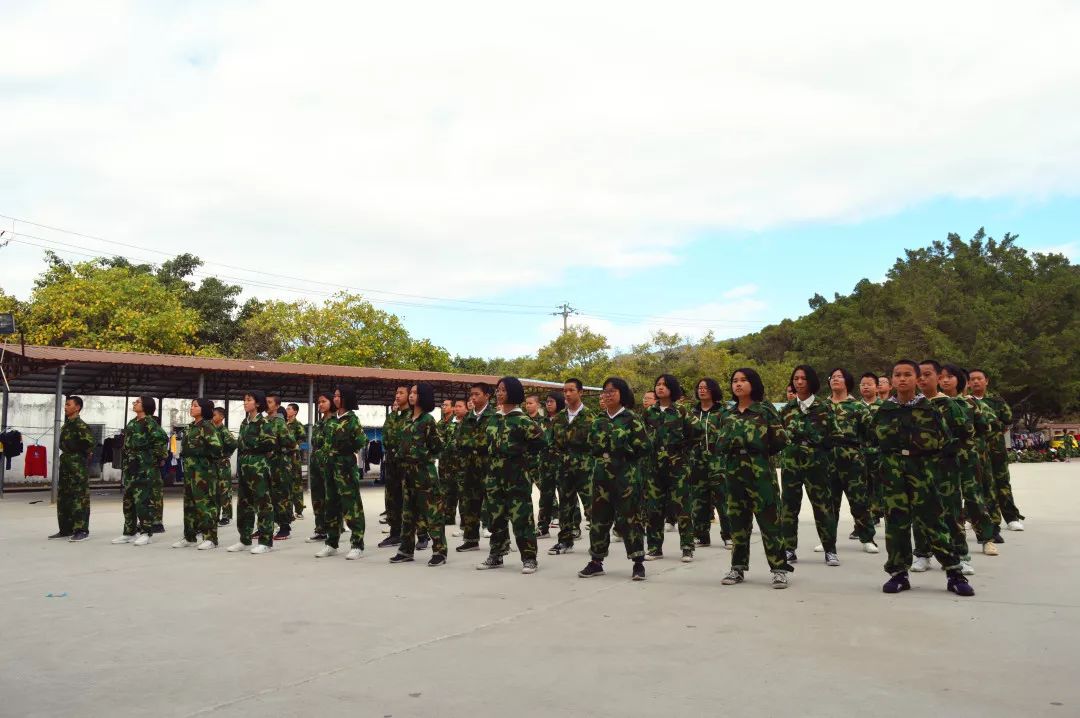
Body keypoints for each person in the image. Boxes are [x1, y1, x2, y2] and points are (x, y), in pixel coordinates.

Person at [871, 360, 974, 597]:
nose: (902, 379)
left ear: (917, 379)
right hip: (893, 473)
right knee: (896, 524)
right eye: (897, 375)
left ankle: (954, 573)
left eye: (908, 374)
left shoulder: (930, 409)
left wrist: (940, 466)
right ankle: (898, 574)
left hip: (923, 471)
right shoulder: (884, 411)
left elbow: (953, 439)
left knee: (933, 521)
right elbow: (870, 439)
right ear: (892, 379)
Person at [717, 368, 792, 589]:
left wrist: (757, 450)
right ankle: (737, 568)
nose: (738, 384)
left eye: (743, 380)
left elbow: (780, 440)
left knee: (770, 521)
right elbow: (720, 443)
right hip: (734, 471)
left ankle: (779, 569)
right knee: (738, 521)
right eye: (734, 381)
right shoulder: (727, 414)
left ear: (754, 383)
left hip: (760, 472)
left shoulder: (765, 410)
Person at [578, 377, 650, 581]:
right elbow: (591, 446)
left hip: (625, 477)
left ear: (622, 394)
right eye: (605, 391)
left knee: (630, 519)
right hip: (601, 477)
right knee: (598, 520)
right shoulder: (599, 421)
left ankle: (638, 563)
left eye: (612, 391)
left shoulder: (631, 419)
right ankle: (596, 562)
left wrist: (624, 452)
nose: (607, 395)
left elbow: (645, 447)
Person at [476, 377, 543, 574]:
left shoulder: (522, 420)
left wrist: (521, 456)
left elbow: (541, 442)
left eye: (503, 390)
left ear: (513, 392)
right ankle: (496, 555)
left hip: (516, 477)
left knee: (521, 518)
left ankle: (529, 558)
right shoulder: (494, 418)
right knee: (496, 517)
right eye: (498, 390)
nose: (499, 393)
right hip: (494, 476)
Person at [779, 366, 841, 566]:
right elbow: (779, 437)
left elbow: (836, 435)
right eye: (795, 378)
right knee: (789, 506)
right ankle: (789, 549)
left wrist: (820, 447)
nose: (799, 382)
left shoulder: (824, 407)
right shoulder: (787, 410)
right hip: (791, 462)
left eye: (803, 378)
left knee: (822, 506)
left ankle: (830, 549)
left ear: (811, 381)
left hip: (817, 462)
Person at [938, 364, 999, 567]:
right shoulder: (933, 404)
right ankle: (950, 544)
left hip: (967, 459)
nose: (945, 380)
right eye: (942, 377)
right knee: (947, 503)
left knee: (974, 498)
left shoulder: (971, 403)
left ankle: (987, 539)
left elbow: (986, 427)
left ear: (959, 381)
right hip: (942, 461)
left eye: (950, 377)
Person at [390, 383, 447, 566]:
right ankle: (406, 550)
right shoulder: (407, 419)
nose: (412, 396)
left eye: (415, 393)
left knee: (432, 514)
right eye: (411, 393)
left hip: (424, 472)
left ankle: (439, 551)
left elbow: (438, 446)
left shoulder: (427, 420)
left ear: (423, 396)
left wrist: (424, 456)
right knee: (408, 514)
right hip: (407, 473)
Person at [825, 367, 878, 553]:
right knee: (829, 503)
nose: (835, 379)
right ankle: (827, 541)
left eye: (839, 377)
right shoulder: (823, 407)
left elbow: (870, 433)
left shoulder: (857, 407)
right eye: (833, 377)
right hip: (828, 459)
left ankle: (867, 538)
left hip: (853, 459)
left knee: (859, 500)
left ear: (847, 381)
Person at [967, 369, 1025, 532]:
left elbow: (1007, 422)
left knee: (1002, 481)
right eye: (972, 379)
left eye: (979, 378)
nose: (976, 382)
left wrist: (992, 433)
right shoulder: (965, 401)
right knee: (977, 483)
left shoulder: (996, 401)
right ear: (968, 383)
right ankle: (975, 517)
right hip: (975, 449)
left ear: (986, 381)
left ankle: (1011, 517)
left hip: (996, 449)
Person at [315, 386, 366, 559]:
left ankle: (357, 544)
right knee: (331, 506)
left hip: (345, 469)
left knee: (351, 507)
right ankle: (331, 543)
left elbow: (360, 441)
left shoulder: (352, 420)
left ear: (346, 399)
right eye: (335, 396)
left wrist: (345, 451)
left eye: (338, 396)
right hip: (330, 468)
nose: (335, 398)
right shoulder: (332, 420)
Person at [112, 396, 168, 546]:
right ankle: (129, 532)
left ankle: (146, 532)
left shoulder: (150, 423)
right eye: (135, 402)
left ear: (146, 405)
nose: (134, 403)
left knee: (143, 501)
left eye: (137, 402)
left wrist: (151, 460)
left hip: (144, 467)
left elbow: (162, 440)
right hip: (131, 467)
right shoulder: (132, 422)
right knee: (128, 500)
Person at [226, 391, 277, 554]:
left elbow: (269, 444)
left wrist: (251, 447)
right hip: (244, 466)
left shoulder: (263, 422)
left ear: (257, 404)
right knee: (244, 504)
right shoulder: (244, 423)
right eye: (244, 400)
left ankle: (265, 541)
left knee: (262, 503)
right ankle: (245, 538)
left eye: (249, 400)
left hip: (258, 466)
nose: (245, 402)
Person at [549, 378, 594, 556]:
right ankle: (564, 541)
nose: (567, 394)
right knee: (565, 507)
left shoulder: (591, 417)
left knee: (592, 507)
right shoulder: (559, 418)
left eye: (571, 390)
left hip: (585, 469)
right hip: (564, 469)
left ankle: (597, 543)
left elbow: (596, 444)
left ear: (580, 392)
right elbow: (552, 443)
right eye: (565, 390)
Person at [174, 398, 224, 550]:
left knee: (205, 504)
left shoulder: (207, 427)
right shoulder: (191, 427)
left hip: (203, 472)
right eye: (192, 405)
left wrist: (199, 454)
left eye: (195, 406)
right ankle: (189, 536)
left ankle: (210, 538)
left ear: (204, 409)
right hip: (190, 471)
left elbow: (217, 448)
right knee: (189, 504)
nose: (192, 408)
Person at [690, 379, 732, 550]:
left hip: (718, 461)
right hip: (696, 462)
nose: (702, 391)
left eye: (706, 388)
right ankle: (701, 536)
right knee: (698, 499)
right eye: (699, 388)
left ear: (713, 390)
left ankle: (728, 536)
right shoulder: (691, 412)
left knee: (723, 499)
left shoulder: (723, 412)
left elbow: (729, 434)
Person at [457, 383, 497, 552]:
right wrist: (473, 445)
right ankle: (471, 539)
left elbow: (493, 441)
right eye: (471, 394)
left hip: (489, 468)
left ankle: (500, 540)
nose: (473, 398)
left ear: (487, 395)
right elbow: (459, 441)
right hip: (470, 468)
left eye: (477, 394)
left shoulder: (495, 416)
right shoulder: (468, 417)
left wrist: (473, 444)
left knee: (495, 506)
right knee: (470, 504)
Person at [51, 395, 95, 542]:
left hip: (77, 465)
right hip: (66, 464)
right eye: (65, 405)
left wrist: (79, 452)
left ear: (77, 407)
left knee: (79, 497)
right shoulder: (67, 425)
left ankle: (81, 530)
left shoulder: (80, 425)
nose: (65, 407)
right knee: (64, 497)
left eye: (68, 405)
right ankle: (65, 529)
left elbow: (89, 444)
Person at [379, 386, 411, 549]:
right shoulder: (394, 416)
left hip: (406, 463)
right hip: (392, 462)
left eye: (401, 393)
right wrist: (393, 412)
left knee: (410, 499)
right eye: (396, 393)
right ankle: (395, 533)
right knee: (392, 498)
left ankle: (421, 535)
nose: (397, 396)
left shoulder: (413, 416)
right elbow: (386, 435)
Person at [264, 393, 297, 541]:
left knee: (282, 495)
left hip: (280, 464)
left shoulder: (279, 422)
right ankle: (265, 526)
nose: (267, 405)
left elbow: (291, 443)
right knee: (268, 496)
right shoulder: (264, 422)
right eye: (265, 402)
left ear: (277, 406)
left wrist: (276, 450)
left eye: (270, 402)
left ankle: (285, 527)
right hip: (267, 464)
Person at [305, 391, 334, 544]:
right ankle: (320, 529)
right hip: (316, 463)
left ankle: (333, 529)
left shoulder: (335, 421)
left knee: (330, 497)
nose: (320, 404)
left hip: (329, 463)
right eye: (318, 402)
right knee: (317, 497)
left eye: (323, 401)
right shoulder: (319, 423)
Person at [537, 391, 565, 538]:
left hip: (562, 464)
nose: (548, 404)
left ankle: (571, 528)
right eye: (547, 402)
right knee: (545, 497)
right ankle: (543, 527)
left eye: (551, 401)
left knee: (566, 497)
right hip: (545, 464)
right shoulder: (542, 421)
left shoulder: (564, 419)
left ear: (559, 403)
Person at [858, 372, 885, 522]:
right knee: (862, 487)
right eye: (863, 384)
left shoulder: (884, 407)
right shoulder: (856, 406)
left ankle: (878, 512)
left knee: (880, 486)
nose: (866, 387)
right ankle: (866, 519)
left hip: (879, 453)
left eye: (869, 384)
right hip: (861, 453)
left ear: (877, 387)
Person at [211, 407, 236, 527]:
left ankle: (226, 516)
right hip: (213, 464)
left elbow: (233, 444)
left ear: (221, 417)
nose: (212, 417)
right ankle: (215, 515)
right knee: (214, 490)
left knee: (224, 490)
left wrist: (226, 454)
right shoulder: (211, 430)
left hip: (222, 464)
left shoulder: (223, 431)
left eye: (214, 415)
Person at [438, 399, 460, 527]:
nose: (443, 407)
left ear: (452, 408)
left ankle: (450, 515)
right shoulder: (440, 423)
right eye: (442, 405)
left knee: (453, 489)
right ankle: (446, 514)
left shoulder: (456, 422)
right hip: (443, 461)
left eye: (446, 405)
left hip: (454, 461)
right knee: (443, 488)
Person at [285, 403, 306, 520]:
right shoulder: (283, 424)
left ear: (295, 412)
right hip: (283, 458)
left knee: (296, 484)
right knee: (285, 484)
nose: (287, 411)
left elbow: (302, 437)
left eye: (289, 409)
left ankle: (299, 510)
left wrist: (295, 445)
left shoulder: (298, 425)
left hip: (293, 458)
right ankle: (287, 511)